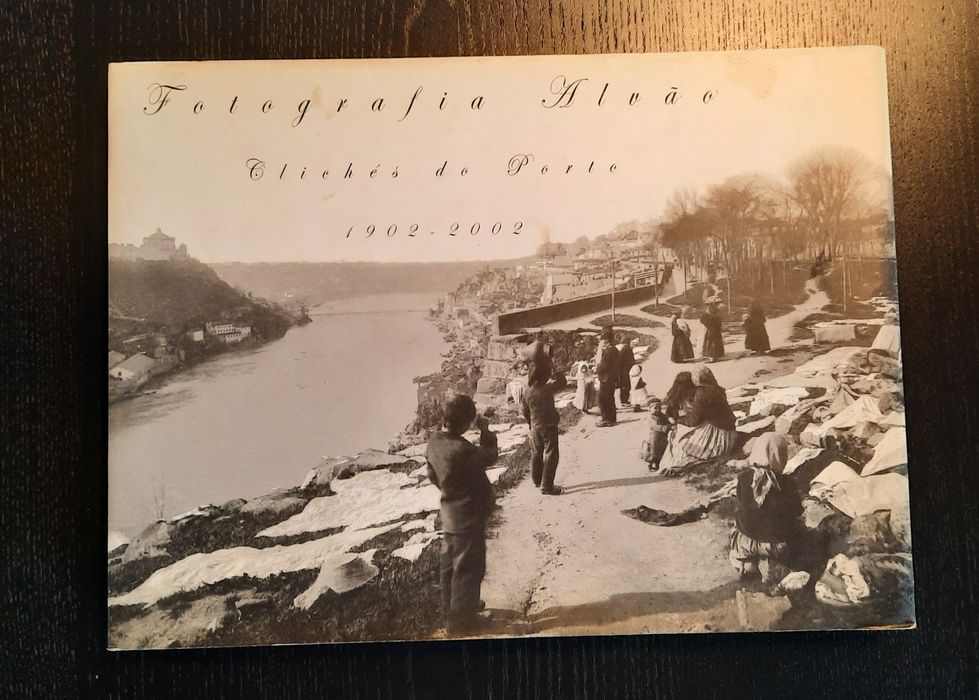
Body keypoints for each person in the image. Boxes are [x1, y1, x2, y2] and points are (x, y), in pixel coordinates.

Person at [425, 394, 499, 636]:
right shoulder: (463, 449)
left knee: (449, 568)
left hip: (450, 516)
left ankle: (453, 610)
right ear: (467, 422)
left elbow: (432, 474)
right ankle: (462, 623)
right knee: (469, 569)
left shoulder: (433, 443)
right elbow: (490, 456)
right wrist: (485, 431)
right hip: (468, 518)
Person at [729, 433, 802, 585]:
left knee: (741, 520)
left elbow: (741, 502)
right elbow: (797, 511)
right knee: (795, 529)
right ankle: (770, 563)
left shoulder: (744, 477)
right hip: (775, 545)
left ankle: (748, 562)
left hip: (746, 540)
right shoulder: (787, 483)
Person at [659, 366, 737, 473]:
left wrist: (679, 420)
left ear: (697, 379)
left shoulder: (702, 392)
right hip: (729, 430)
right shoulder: (716, 388)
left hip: (719, 432)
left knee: (681, 436)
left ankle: (673, 461)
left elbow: (694, 420)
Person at [521, 361, 568, 495]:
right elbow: (562, 383)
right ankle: (547, 485)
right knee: (551, 455)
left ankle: (537, 479)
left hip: (535, 427)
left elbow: (524, 410)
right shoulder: (547, 389)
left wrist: (530, 423)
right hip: (549, 426)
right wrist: (556, 369)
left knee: (536, 453)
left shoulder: (527, 391)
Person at [595, 331, 620, 427]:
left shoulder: (608, 352)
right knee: (610, 398)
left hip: (606, 378)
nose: (600, 342)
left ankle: (606, 419)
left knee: (602, 399)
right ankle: (612, 418)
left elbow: (603, 366)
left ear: (606, 340)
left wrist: (596, 369)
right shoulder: (615, 350)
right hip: (612, 378)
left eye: (601, 339)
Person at [644, 399, 670, 471]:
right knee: (653, 450)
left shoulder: (662, 415)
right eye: (655, 408)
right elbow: (655, 426)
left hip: (661, 437)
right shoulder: (650, 418)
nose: (658, 410)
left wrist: (669, 422)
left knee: (661, 449)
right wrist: (666, 427)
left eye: (659, 408)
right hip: (653, 437)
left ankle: (658, 464)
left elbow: (667, 419)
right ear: (649, 409)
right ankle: (650, 464)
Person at [617, 333, 636, 406]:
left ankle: (626, 400)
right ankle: (624, 401)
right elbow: (619, 363)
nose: (626, 344)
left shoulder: (629, 350)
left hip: (629, 370)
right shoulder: (622, 352)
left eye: (627, 342)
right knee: (624, 386)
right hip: (624, 372)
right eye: (625, 343)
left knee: (628, 386)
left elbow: (632, 360)